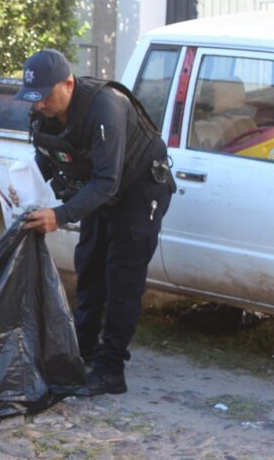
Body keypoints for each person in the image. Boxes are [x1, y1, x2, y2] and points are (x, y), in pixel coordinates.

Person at [13, 49, 176, 396]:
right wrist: (23, 190)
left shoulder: (105, 108)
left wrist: (61, 215)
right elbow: (48, 157)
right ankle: (83, 347)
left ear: (68, 84)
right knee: (89, 264)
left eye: (43, 96)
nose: (38, 105)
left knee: (122, 277)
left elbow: (108, 181)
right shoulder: (43, 113)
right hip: (98, 189)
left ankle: (110, 368)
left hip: (138, 189)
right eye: (32, 98)